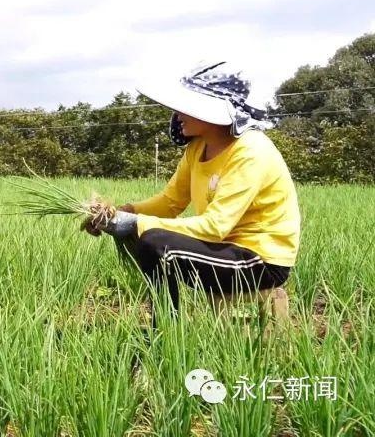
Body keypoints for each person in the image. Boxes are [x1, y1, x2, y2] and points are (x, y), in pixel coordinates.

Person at [85, 62, 300, 311]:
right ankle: (168, 329)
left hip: (260, 261)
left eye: (185, 107)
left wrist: (133, 223)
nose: (177, 114)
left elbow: (214, 227)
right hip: (224, 250)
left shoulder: (250, 151)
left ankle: (164, 331)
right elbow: (170, 202)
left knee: (154, 242)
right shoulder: (197, 148)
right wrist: (120, 212)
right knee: (150, 237)